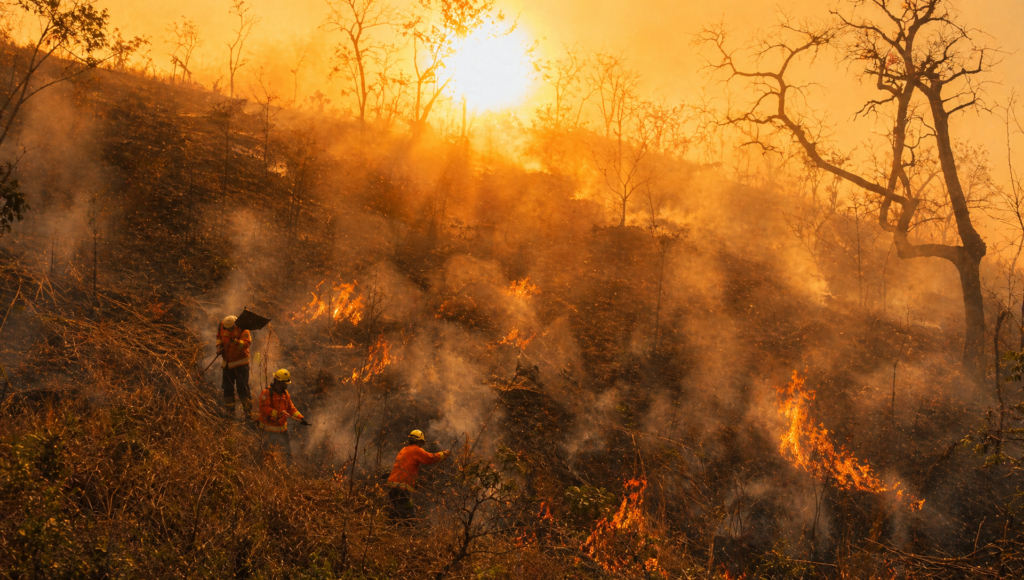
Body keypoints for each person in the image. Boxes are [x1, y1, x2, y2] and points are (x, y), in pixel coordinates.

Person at [386, 430, 450, 522]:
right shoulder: (416, 450)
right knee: (409, 513)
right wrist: (444, 454)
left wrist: (415, 484)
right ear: (419, 441)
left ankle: (390, 529)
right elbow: (429, 458)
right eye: (422, 443)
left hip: (392, 486)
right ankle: (411, 530)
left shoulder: (404, 449)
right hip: (402, 487)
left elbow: (406, 469)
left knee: (395, 510)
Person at [258, 368, 309, 460]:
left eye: (286, 383)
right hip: (269, 431)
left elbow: (291, 408)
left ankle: (288, 472)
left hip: (283, 432)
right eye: (284, 383)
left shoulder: (286, 394)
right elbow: (263, 409)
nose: (285, 386)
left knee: (288, 455)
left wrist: (301, 418)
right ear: (277, 382)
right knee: (266, 456)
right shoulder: (266, 393)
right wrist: (277, 413)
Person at [216, 315, 251, 417]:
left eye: (230, 328)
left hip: (241, 365)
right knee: (228, 389)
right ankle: (230, 412)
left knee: (242, 389)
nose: (228, 330)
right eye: (227, 328)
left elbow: (246, 344)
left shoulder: (243, 329)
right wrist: (219, 347)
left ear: (235, 325)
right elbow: (219, 337)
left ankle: (248, 413)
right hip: (227, 365)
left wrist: (236, 342)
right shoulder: (222, 325)